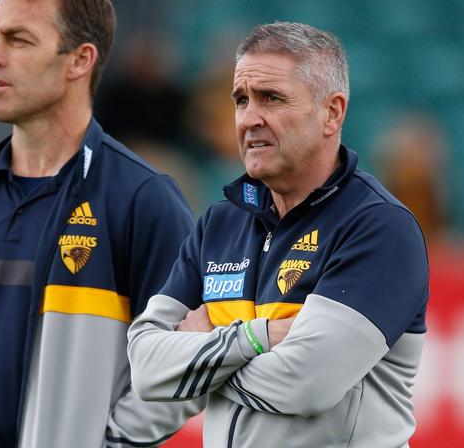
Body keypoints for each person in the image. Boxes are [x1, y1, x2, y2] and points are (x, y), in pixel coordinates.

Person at [0, 0, 203, 448]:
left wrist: (108, 441)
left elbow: (191, 351)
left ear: (80, 60)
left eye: (18, 40)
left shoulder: (142, 198)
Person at [128, 22, 429, 447]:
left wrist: (197, 363)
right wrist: (257, 337)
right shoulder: (219, 224)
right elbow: (144, 368)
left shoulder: (378, 227)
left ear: (332, 112)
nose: (250, 118)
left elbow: (305, 385)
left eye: (271, 98)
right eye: (240, 100)